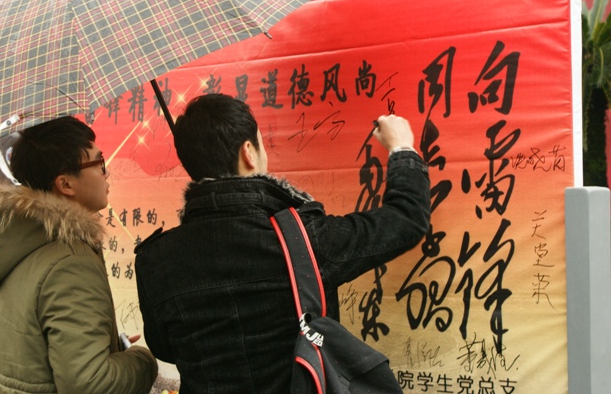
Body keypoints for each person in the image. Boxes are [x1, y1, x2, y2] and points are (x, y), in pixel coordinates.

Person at [134, 93, 431, 393]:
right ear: (248, 153)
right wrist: (402, 148)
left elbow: (164, 347)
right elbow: (406, 219)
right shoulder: (302, 239)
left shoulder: (154, 260)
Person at [0, 116, 158, 393]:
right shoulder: (71, 262)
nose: (106, 173)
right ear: (65, 184)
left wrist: (110, 347)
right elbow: (90, 384)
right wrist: (141, 360)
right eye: (99, 163)